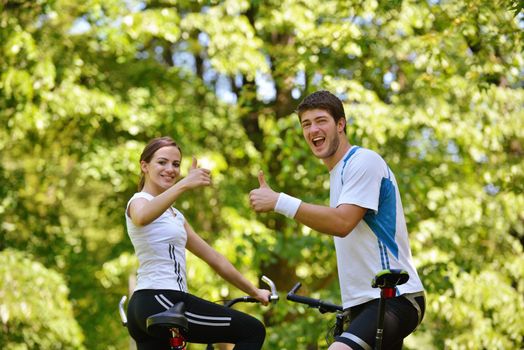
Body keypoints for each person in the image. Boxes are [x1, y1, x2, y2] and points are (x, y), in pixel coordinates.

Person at [249, 90, 425, 350]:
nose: (313, 130)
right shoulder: (337, 175)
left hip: (395, 295)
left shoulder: (363, 161)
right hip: (362, 303)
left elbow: (342, 223)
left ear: (340, 124)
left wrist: (279, 202)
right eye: (306, 124)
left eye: (321, 121)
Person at [125, 136, 271, 350]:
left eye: (176, 164)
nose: (170, 169)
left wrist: (255, 291)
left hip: (148, 306)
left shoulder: (176, 217)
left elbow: (214, 258)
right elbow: (141, 216)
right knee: (252, 330)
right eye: (162, 162)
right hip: (161, 299)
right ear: (144, 166)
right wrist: (184, 184)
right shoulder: (139, 201)